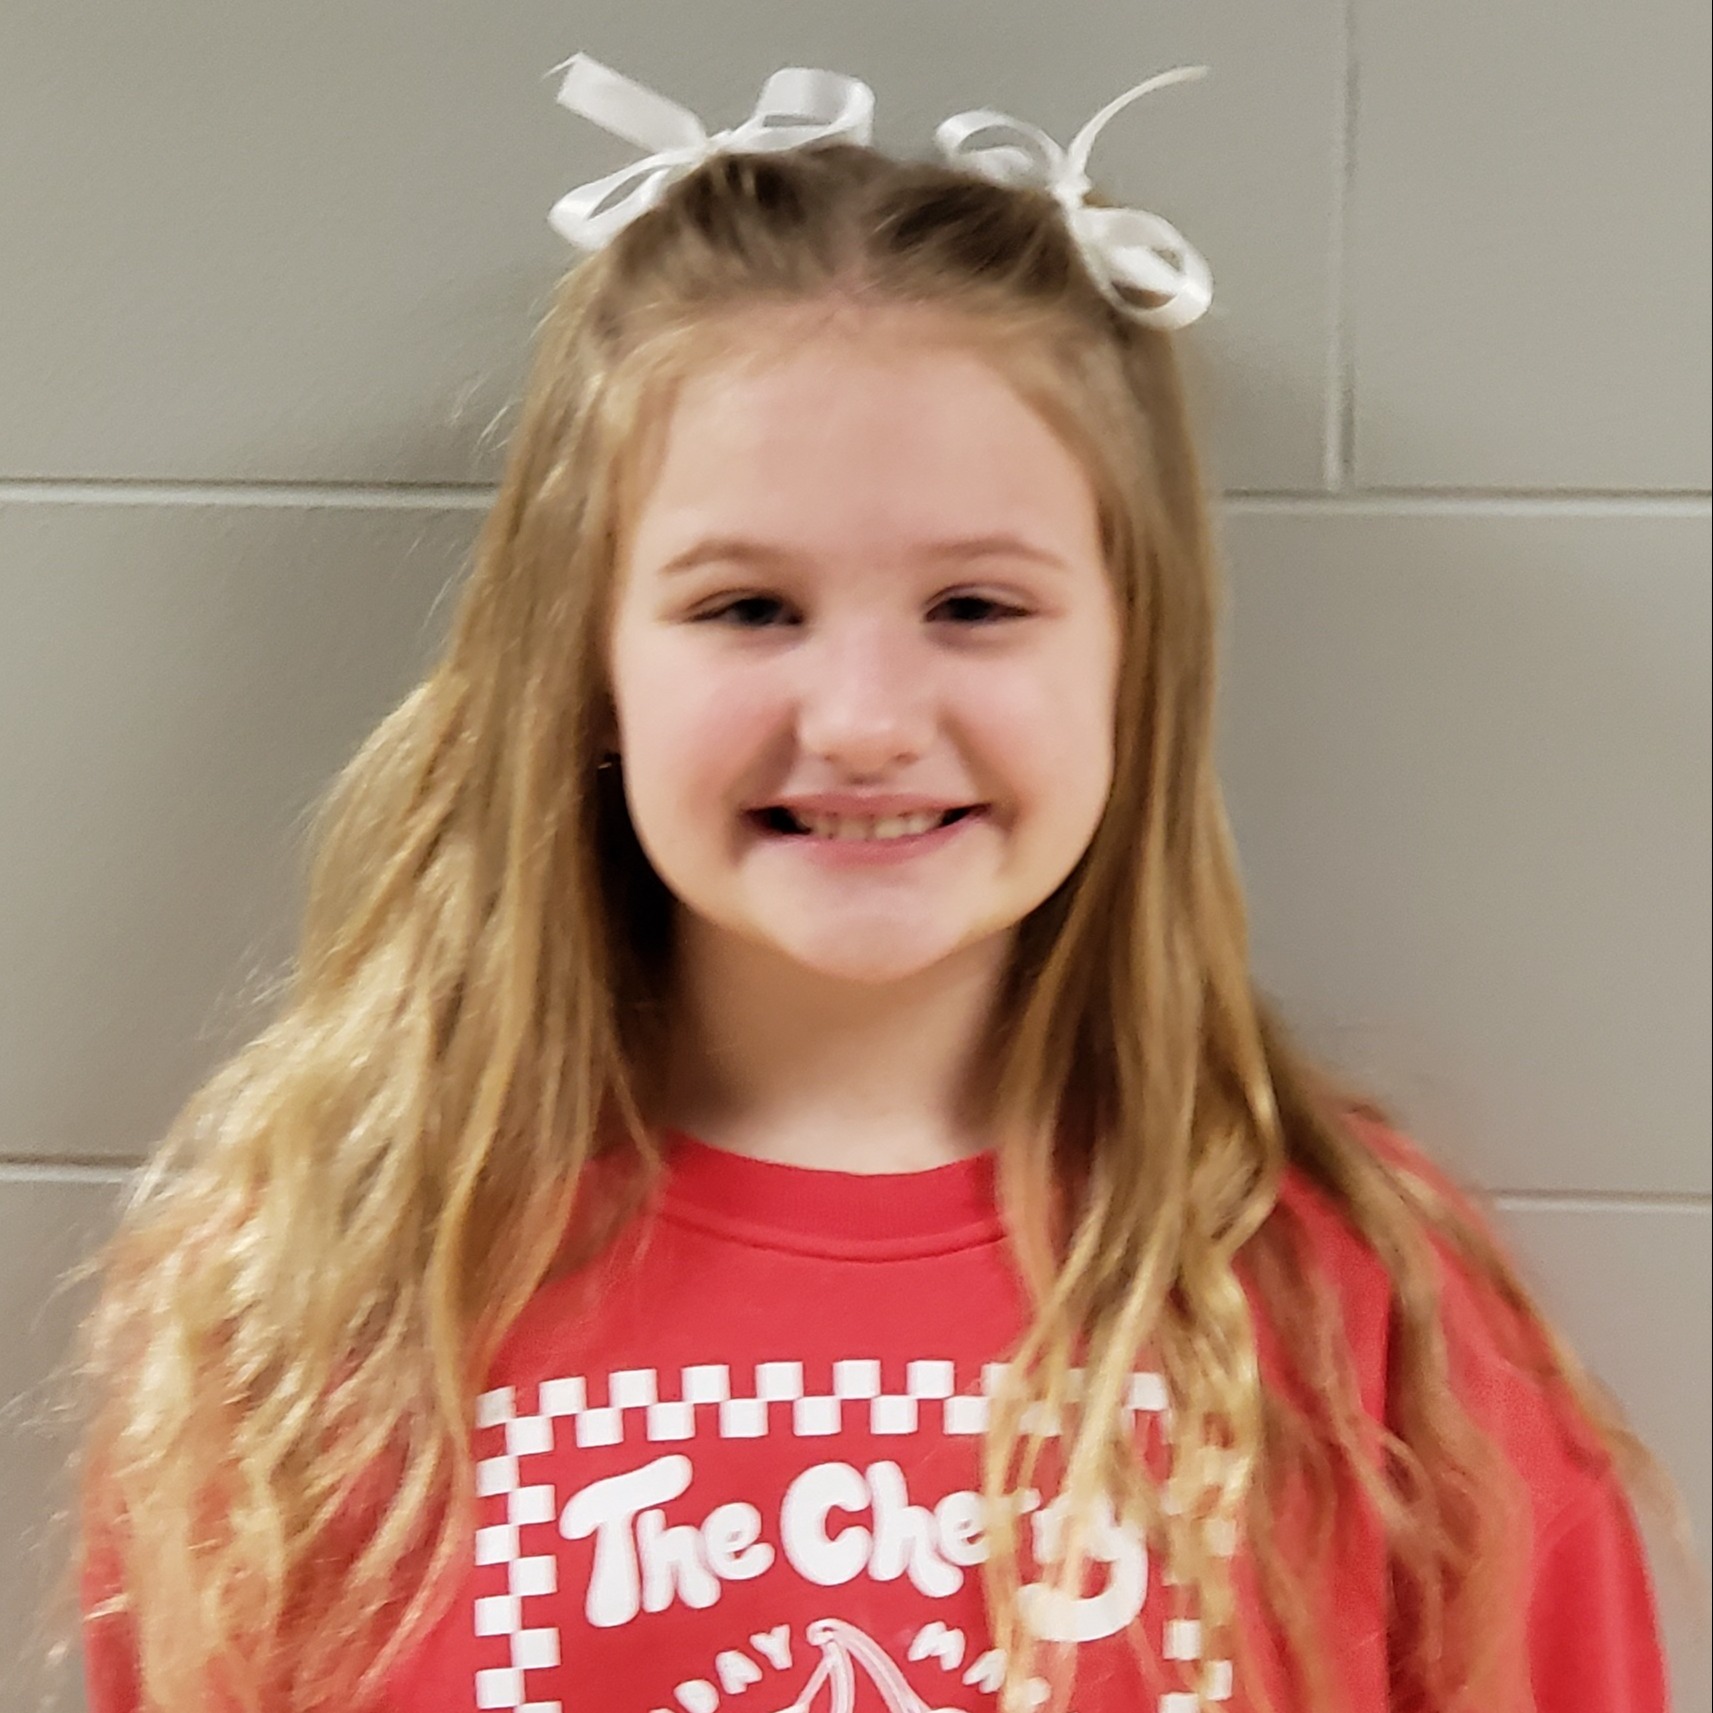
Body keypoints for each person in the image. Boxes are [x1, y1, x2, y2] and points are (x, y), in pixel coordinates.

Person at [73, 53, 1673, 1713]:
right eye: (746, 607)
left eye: (976, 606)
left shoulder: (1362, 1310)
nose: (858, 721)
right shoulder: (323, 1288)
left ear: (1137, 655)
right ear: (591, 663)